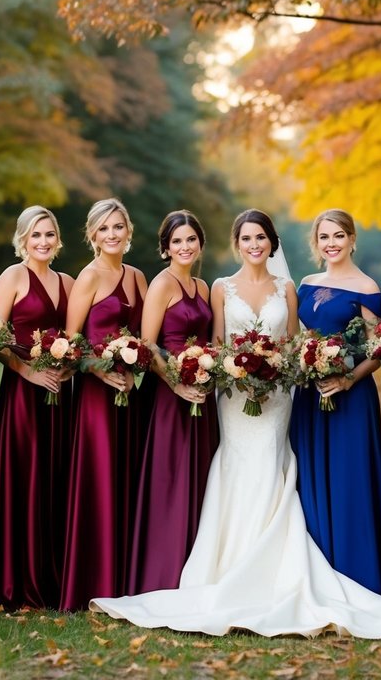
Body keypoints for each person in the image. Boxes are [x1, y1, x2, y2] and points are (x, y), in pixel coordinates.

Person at [90, 208, 381, 637]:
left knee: (274, 467)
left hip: (278, 398)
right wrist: (233, 372)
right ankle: (227, 564)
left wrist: (283, 368)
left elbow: (296, 343)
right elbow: (218, 344)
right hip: (235, 398)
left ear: (271, 243)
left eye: (260, 238)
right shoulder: (219, 288)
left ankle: (281, 567)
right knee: (238, 466)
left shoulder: (288, 288)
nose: (254, 245)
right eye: (246, 239)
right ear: (236, 245)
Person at [289, 208, 381, 595]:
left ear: (351, 239)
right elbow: (299, 335)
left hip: (350, 397)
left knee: (350, 479)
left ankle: (356, 571)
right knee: (310, 479)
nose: (331, 244)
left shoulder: (366, 287)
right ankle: (315, 571)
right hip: (309, 397)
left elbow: (379, 348)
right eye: (324, 238)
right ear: (316, 243)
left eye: (338, 236)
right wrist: (305, 363)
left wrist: (348, 378)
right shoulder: (306, 282)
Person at [123, 209, 219, 595]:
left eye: (190, 239)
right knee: (170, 481)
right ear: (165, 247)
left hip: (202, 393)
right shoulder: (162, 285)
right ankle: (163, 572)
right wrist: (177, 384)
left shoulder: (204, 286)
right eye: (176, 241)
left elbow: (211, 340)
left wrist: (210, 373)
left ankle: (197, 566)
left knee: (199, 477)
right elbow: (147, 344)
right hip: (168, 395)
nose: (184, 246)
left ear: (199, 244)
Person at [59, 198, 148, 610]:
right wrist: (98, 369)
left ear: (128, 231)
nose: (112, 235)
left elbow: (147, 337)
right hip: (96, 395)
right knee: (99, 478)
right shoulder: (88, 277)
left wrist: (135, 367)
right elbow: (70, 341)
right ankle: (93, 579)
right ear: (93, 235)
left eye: (118, 227)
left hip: (128, 393)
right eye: (104, 229)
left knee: (126, 476)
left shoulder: (137, 277)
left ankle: (126, 574)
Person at [0, 205, 74, 609]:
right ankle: (15, 579)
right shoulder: (12, 277)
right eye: (35, 235)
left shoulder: (67, 282)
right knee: (24, 478)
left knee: (54, 478)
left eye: (49, 235)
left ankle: (51, 574)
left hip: (59, 394)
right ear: (22, 239)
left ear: (58, 239)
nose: (42, 242)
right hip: (23, 395)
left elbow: (79, 338)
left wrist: (69, 368)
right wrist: (26, 371)